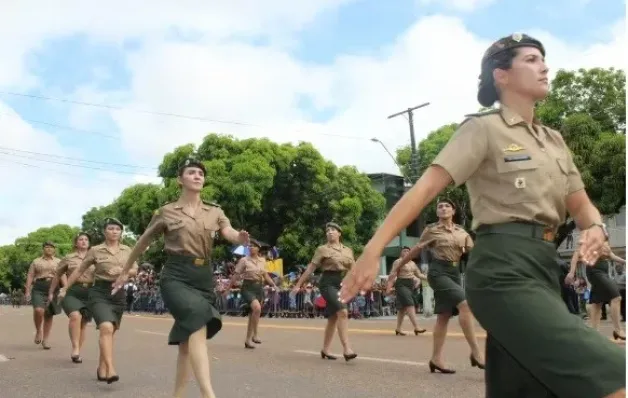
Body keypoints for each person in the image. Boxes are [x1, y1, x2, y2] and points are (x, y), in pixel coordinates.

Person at [340, 33, 625, 398]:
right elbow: (424, 189)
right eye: (531, 59)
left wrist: (596, 227)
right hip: (501, 271)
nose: (544, 66)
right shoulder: (483, 129)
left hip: (544, 268)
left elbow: (581, 204)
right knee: (611, 374)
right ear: (501, 75)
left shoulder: (554, 140)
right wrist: (373, 249)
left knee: (529, 388)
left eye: (543, 59)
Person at [112, 158, 249, 398]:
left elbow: (228, 232)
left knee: (187, 343)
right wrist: (125, 269)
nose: (197, 176)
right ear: (180, 180)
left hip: (203, 278)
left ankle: (179, 395)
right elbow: (143, 241)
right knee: (197, 322)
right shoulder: (166, 211)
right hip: (176, 275)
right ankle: (208, 393)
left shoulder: (214, 211)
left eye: (201, 174)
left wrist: (240, 238)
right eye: (192, 172)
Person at [395, 199, 484, 373]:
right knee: (465, 305)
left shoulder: (461, 232)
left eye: (447, 206)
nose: (443, 208)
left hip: (455, 272)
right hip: (438, 272)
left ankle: (436, 359)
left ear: (453, 211)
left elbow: (474, 254)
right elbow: (416, 249)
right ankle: (476, 352)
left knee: (443, 315)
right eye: (440, 207)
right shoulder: (431, 230)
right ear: (437, 212)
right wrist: (398, 266)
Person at [59, 218, 138, 384]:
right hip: (99, 292)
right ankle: (110, 368)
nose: (114, 231)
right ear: (105, 231)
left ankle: (102, 368)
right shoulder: (95, 250)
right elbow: (80, 270)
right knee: (106, 327)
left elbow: (135, 269)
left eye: (117, 229)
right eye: (110, 228)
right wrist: (65, 288)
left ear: (121, 232)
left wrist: (124, 271)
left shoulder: (127, 249)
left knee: (110, 332)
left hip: (118, 294)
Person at [293, 222, 357, 361]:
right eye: (327, 231)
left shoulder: (348, 250)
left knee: (333, 317)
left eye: (333, 230)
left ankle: (325, 350)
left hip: (342, 283)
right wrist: (298, 285)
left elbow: (353, 269)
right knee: (343, 312)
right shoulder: (322, 249)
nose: (329, 232)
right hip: (327, 283)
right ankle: (347, 348)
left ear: (339, 233)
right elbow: (310, 269)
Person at [224, 239, 278, 349]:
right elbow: (236, 275)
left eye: (253, 246)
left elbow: (265, 275)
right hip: (248, 288)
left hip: (259, 288)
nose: (251, 247)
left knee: (252, 314)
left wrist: (273, 284)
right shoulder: (244, 260)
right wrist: (228, 288)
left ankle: (248, 340)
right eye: (249, 246)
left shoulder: (263, 260)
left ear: (258, 248)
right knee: (257, 308)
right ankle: (255, 335)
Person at [48, 232, 93, 363]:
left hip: (89, 291)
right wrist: (51, 292)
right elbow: (57, 275)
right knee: (75, 316)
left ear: (89, 243)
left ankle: (78, 350)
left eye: (86, 239)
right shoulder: (68, 258)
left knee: (83, 323)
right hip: (72, 290)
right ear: (76, 243)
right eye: (81, 239)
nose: (84, 241)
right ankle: (75, 348)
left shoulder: (95, 257)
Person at [566, 242, 626, 340]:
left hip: (604, 273)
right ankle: (618, 330)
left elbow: (613, 256)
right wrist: (572, 272)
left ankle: (594, 332)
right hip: (595, 272)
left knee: (597, 303)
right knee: (616, 297)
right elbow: (576, 255)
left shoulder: (604, 243)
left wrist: (625, 261)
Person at [24, 241, 62, 349]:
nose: (49, 249)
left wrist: (65, 289)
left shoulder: (59, 261)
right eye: (46, 247)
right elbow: (30, 275)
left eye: (51, 247)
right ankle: (38, 331)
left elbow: (62, 275)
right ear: (43, 249)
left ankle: (45, 340)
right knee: (38, 310)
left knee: (49, 314)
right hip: (39, 287)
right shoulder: (36, 261)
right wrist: (27, 291)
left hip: (54, 288)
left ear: (54, 249)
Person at [385, 246, 427, 336]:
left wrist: (428, 278)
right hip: (401, 284)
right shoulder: (398, 262)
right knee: (409, 303)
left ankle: (398, 329)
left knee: (402, 308)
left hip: (410, 284)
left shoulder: (412, 263)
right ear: (401, 253)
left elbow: (419, 274)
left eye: (408, 251)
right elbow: (392, 274)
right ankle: (416, 327)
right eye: (404, 251)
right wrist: (389, 286)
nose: (406, 252)